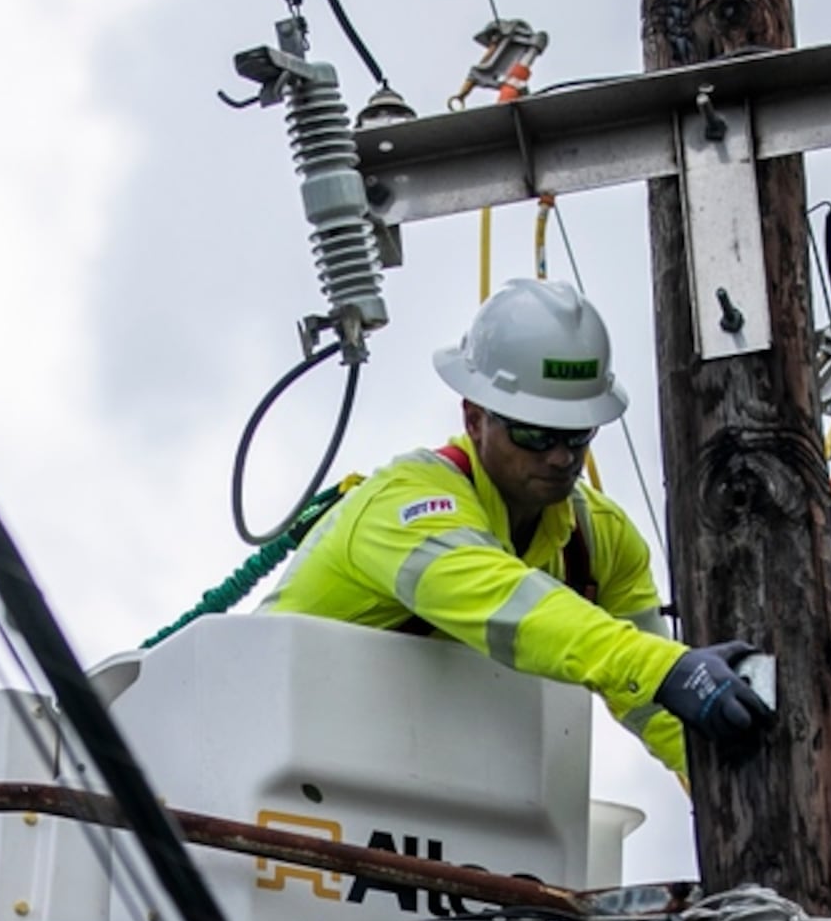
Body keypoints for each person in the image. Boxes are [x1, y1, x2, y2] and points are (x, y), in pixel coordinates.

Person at [264, 278, 772, 777]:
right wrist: (663, 668)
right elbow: (510, 607)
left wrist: (746, 795)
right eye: (533, 433)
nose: (560, 457)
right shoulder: (404, 504)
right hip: (264, 775)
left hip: (416, 798)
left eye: (577, 435)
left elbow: (658, 707)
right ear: (474, 418)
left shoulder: (602, 543)